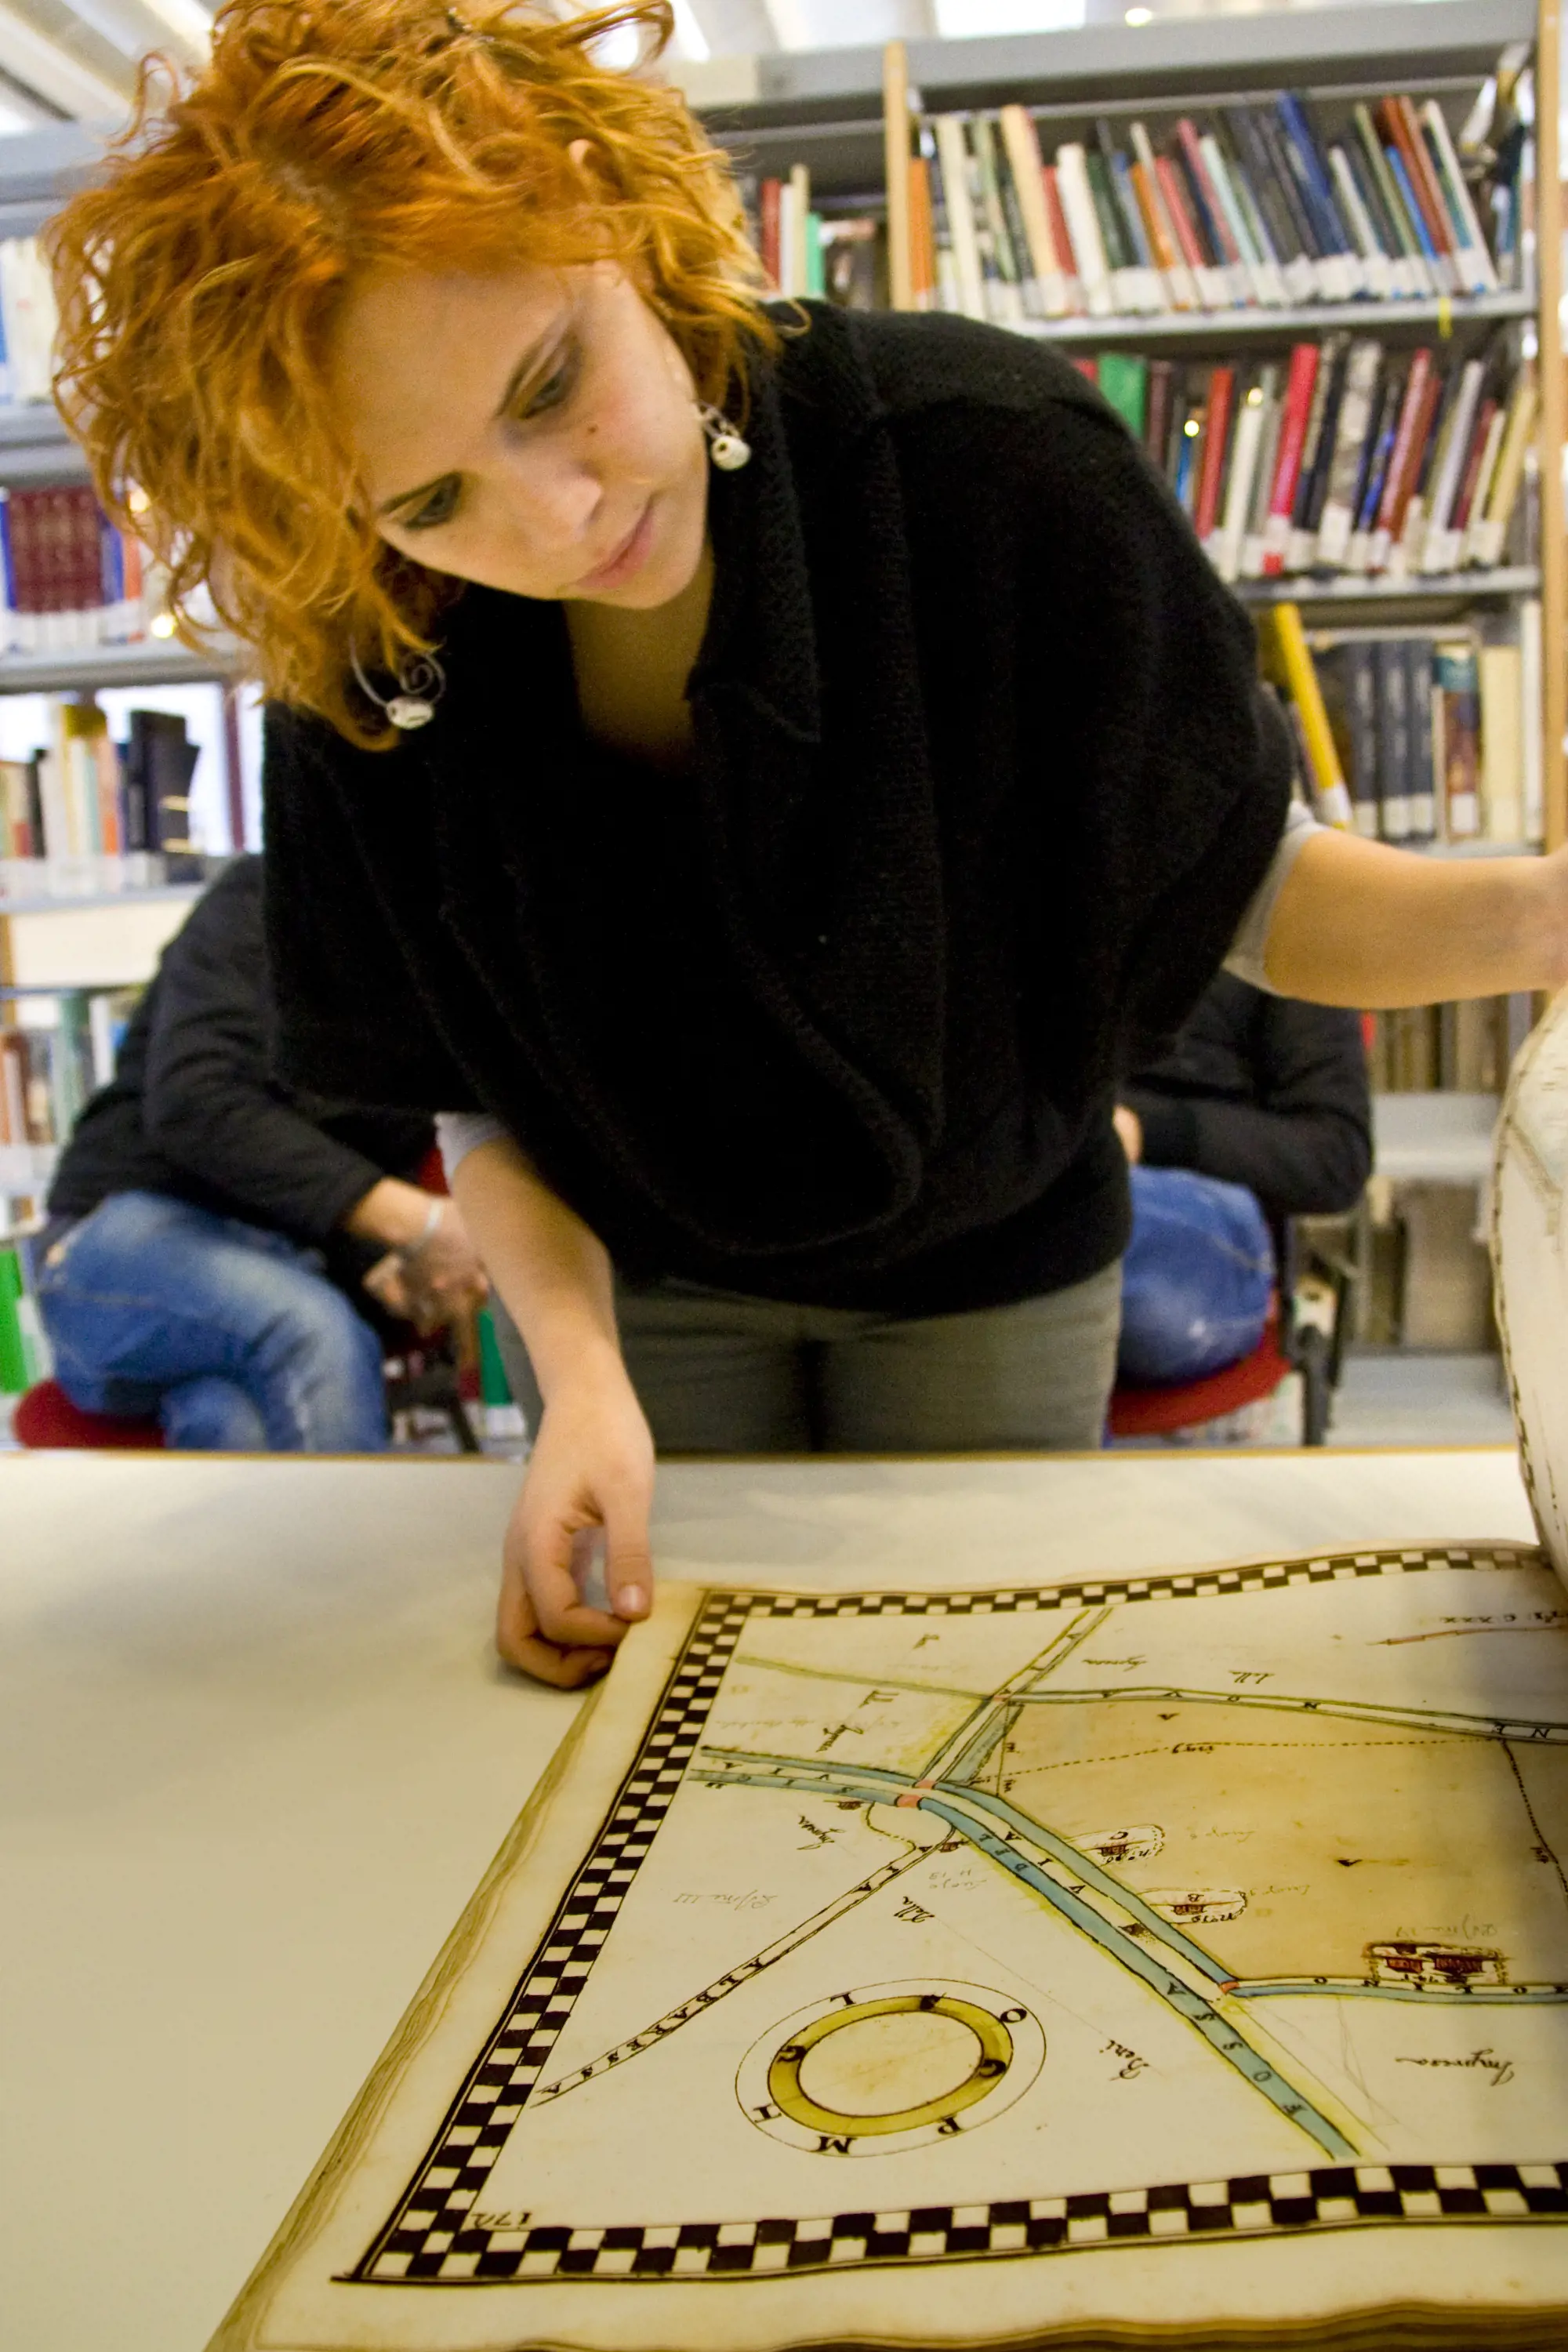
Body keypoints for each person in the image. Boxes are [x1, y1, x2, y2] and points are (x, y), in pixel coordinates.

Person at [45, 1, 1568, 1682]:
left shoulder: (987, 463)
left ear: (608, 202)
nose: (555, 516)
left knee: (965, 1704)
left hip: (1000, 1259)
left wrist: (1544, 918)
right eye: (430, 500)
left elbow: (1250, 887)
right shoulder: (371, 651)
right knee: (680, 1720)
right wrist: (578, 1384)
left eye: (551, 385)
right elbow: (471, 1088)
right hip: (636, 1285)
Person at [35, 856, 488, 1450]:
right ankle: (352, 1519)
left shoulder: (443, 981)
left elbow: (354, 1177)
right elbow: (196, 1101)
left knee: (234, 1421)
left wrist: (386, 1265)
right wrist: (418, 1223)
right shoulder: (269, 897)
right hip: (119, 1237)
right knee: (309, 1331)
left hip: (281, 1265)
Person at [1112, 975, 1371, 1387]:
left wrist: (1146, 1132)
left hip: (1199, 1209)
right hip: (1049, 1169)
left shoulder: (1287, 944)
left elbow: (1335, 1158)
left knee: (1083, 1217)